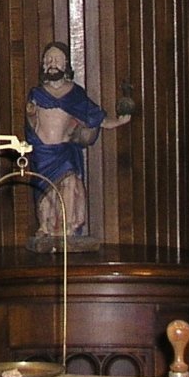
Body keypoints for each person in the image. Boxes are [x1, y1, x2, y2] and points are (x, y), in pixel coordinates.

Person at [23, 40, 131, 249]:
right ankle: (45, 227)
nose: (52, 63)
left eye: (57, 59)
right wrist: (31, 115)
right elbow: (31, 124)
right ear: (43, 64)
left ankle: (67, 228)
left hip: (64, 151)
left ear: (66, 64)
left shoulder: (74, 93)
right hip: (43, 153)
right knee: (45, 192)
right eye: (48, 59)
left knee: (70, 185)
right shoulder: (37, 94)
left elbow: (95, 117)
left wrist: (118, 122)